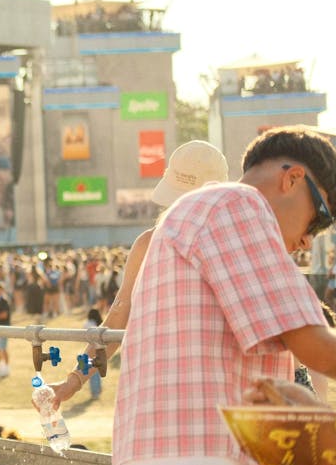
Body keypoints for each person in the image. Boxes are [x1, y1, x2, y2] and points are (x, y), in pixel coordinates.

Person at [104, 126, 336, 465]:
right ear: (292, 179)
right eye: (319, 218)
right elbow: (316, 345)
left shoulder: (196, 214)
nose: (308, 240)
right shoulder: (238, 204)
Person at [51, 140, 230, 405]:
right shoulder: (149, 244)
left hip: (215, 394)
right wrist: (75, 380)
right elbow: (116, 319)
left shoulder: (236, 243)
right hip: (165, 393)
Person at [0, 282, 11, 377]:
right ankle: (1, 365)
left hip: (4, 327)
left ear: (1, 290)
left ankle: (6, 368)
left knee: (2, 348)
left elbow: (5, 315)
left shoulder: (4, 300)